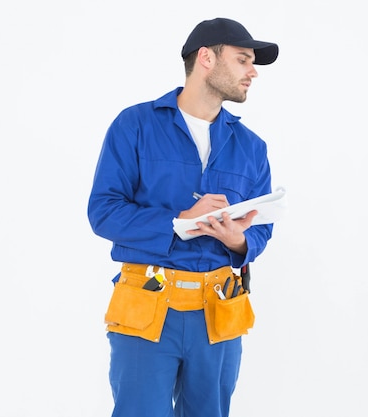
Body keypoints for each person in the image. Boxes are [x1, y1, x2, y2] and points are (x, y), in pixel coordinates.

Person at [87, 17, 279, 417]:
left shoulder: (251, 147)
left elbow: (261, 228)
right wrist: (180, 220)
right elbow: (103, 211)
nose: (253, 71)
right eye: (243, 59)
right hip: (148, 305)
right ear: (207, 58)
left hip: (220, 311)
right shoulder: (135, 125)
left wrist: (238, 241)